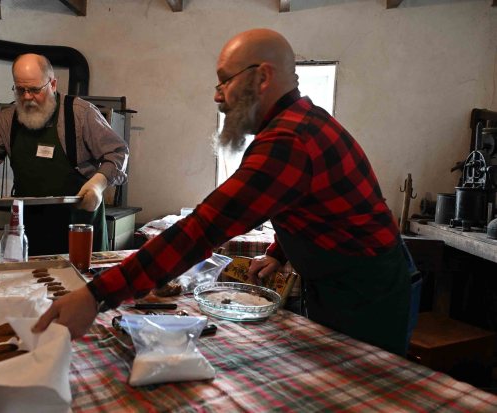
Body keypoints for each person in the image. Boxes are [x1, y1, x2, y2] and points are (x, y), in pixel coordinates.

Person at [33, 29, 412, 356]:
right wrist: (280, 253)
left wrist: (96, 295)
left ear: (262, 77)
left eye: (224, 81)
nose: (218, 96)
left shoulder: (288, 141)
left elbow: (202, 230)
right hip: (354, 285)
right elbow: (321, 205)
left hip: (369, 298)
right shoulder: (302, 122)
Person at [0, 54, 129, 253]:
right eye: (20, 90)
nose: (27, 97)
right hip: (31, 230)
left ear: (53, 84)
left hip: (78, 228)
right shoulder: (7, 120)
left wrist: (98, 185)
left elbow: (118, 152)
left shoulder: (81, 114)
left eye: (34, 90)